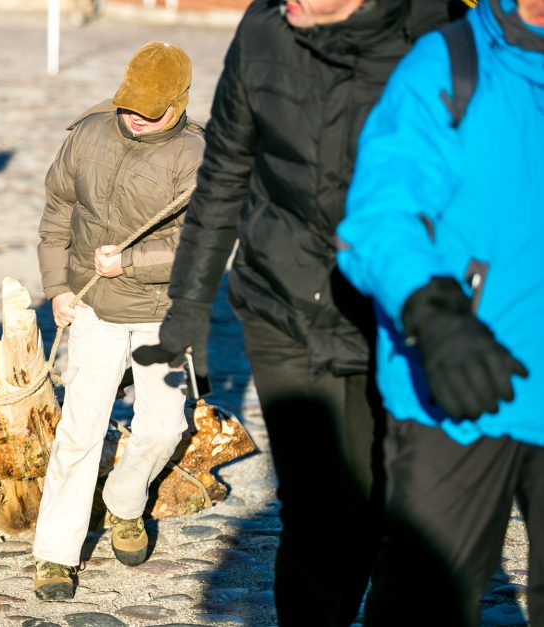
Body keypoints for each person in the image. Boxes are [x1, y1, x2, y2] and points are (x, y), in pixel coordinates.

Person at [132, 0, 457, 624]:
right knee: (312, 506)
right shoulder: (264, 28)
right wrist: (189, 300)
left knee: (371, 502)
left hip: (383, 308)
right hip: (279, 300)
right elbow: (224, 167)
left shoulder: (435, 35)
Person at [335, 0, 543, 623]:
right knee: (422, 605)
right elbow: (380, 217)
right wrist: (435, 313)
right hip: (461, 383)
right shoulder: (452, 62)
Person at [31, 42, 205, 601]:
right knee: (80, 432)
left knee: (164, 428)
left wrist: (130, 262)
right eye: (131, 104)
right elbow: (57, 212)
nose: (135, 116)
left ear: (177, 105)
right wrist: (57, 288)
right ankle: (56, 553)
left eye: (151, 111)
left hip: (160, 314)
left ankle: (125, 503)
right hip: (94, 310)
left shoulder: (198, 156)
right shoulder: (88, 134)